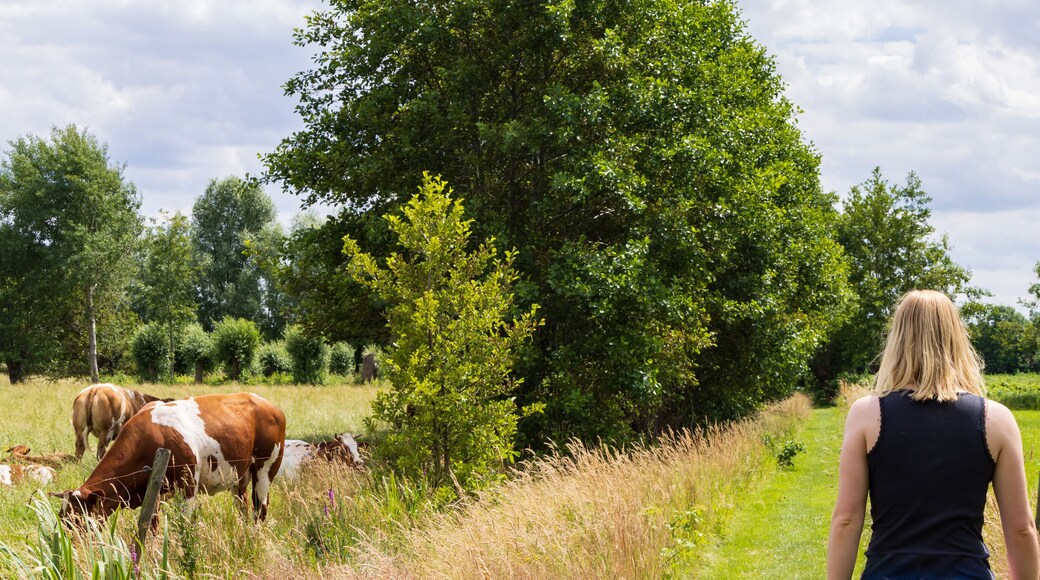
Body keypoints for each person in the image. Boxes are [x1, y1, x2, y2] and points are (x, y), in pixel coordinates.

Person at [827, 289, 1039, 579]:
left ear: (897, 339)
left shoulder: (867, 414)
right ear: (956, 337)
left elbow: (846, 520)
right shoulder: (996, 419)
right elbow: (1020, 528)